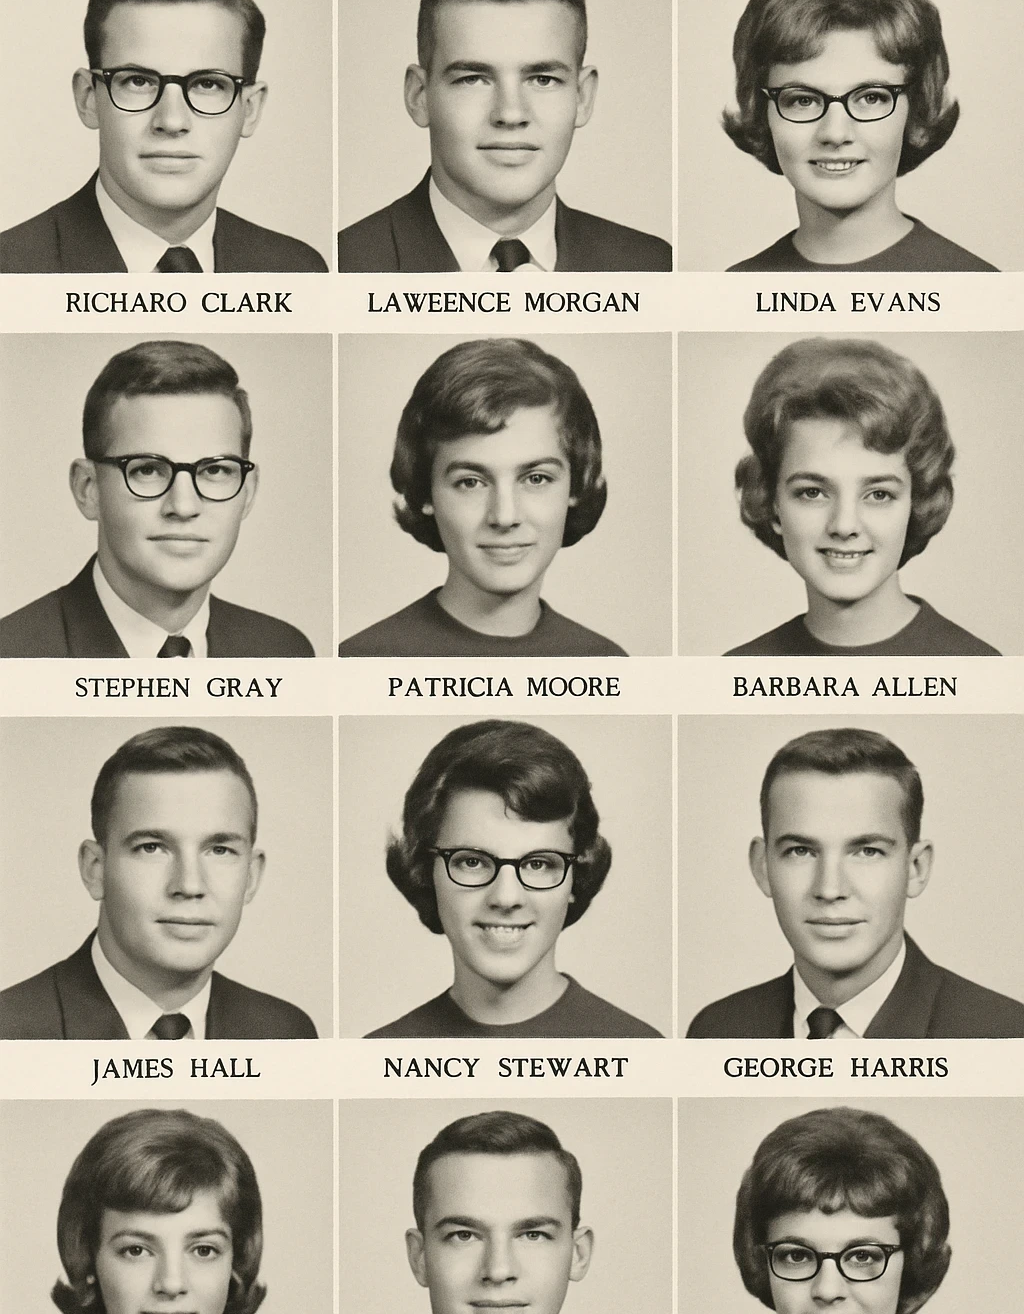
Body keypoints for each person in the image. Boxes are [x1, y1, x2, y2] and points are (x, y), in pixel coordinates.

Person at [337, 0, 671, 273]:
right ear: (419, 95)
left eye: (542, 79)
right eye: (473, 79)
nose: (510, 114)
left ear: (582, 97)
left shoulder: (653, 266)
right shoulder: (344, 267)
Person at [0, 0, 327, 274]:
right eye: (138, 81)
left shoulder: (298, 270)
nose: (171, 121)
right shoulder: (11, 271)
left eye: (208, 84)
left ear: (250, 109)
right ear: (88, 99)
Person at [686, 728, 1024, 1039]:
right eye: (801, 851)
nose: (830, 889)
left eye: (867, 851)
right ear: (762, 867)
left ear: (916, 868)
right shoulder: (716, 1029)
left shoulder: (1005, 1034)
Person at [337, 1111, 671, 1314]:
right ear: (419, 1257)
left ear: (579, 1254)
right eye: (464, 1236)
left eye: (533, 1235)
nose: (498, 1270)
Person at [0, 726, 318, 1040]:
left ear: (250, 877)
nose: (189, 885)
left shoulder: (286, 1032)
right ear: (95, 869)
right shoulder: (11, 1032)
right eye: (152, 847)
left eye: (219, 850)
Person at [0, 341, 315, 658]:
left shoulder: (284, 651)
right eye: (148, 470)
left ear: (248, 492)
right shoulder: (12, 655)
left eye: (215, 470)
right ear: (88, 489)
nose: (183, 507)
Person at [365, 720, 661, 1039]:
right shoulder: (372, 1059)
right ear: (426, 872)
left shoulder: (644, 1051)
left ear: (576, 878)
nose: (506, 898)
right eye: (472, 861)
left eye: (537, 864)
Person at [338, 339, 626, 657]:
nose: (504, 516)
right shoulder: (362, 660)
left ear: (575, 486)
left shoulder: (606, 661)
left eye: (536, 479)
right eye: (471, 483)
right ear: (425, 493)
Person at [722, 0, 996, 272]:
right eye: (803, 100)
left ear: (916, 108)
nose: (836, 133)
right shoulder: (733, 289)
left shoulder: (977, 289)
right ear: (762, 111)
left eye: (870, 97)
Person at [724, 338, 1000, 656]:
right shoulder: (735, 672)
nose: (844, 525)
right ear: (773, 508)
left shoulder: (978, 668)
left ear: (916, 505)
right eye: (812, 492)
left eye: (879, 494)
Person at [725, 1106, 1003, 1314]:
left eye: (862, 1256)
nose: (827, 1290)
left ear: (910, 1264)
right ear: (763, 1263)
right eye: (797, 1255)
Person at [1, 1109, 268, 1314]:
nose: (171, 1283)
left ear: (236, 1263)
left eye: (204, 1250)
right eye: (137, 1250)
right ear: (89, 1258)